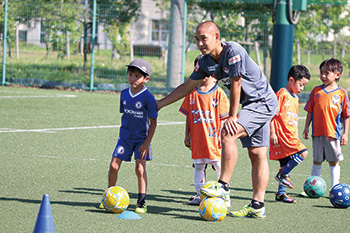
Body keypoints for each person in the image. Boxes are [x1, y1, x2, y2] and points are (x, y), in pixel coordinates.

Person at [157, 21, 278, 218]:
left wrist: (232, 116)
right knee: (257, 153)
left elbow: (236, 83)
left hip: (262, 101)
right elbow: (188, 86)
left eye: (203, 38)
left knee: (228, 132)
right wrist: (160, 103)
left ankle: (223, 186)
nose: (200, 43)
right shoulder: (205, 62)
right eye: (197, 39)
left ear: (217, 36)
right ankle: (258, 206)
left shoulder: (233, 51)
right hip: (251, 106)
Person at [105, 58, 158, 214]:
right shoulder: (123, 94)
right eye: (130, 74)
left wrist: (147, 143)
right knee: (114, 166)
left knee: (140, 169)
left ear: (146, 79)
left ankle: (141, 202)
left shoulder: (148, 97)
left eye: (137, 76)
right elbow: (125, 114)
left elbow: (153, 122)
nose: (132, 78)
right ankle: (108, 197)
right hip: (124, 139)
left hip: (141, 140)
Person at [179, 55, 230, 205]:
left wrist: (222, 136)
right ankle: (200, 195)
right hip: (198, 139)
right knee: (199, 165)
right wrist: (187, 134)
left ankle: (224, 196)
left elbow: (224, 118)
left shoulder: (219, 93)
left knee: (219, 165)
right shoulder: (191, 93)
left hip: (214, 139)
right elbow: (188, 115)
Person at [303, 58, 349, 189]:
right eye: (321, 72)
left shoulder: (341, 93)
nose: (323, 76)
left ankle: (335, 187)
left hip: (333, 134)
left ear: (337, 75)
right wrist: (306, 127)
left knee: (333, 161)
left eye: (326, 73)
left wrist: (345, 133)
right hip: (317, 133)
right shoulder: (316, 91)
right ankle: (312, 187)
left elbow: (346, 115)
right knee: (316, 161)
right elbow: (310, 111)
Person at [269, 65, 311, 204]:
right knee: (303, 152)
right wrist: (273, 133)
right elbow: (272, 115)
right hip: (282, 136)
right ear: (291, 80)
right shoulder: (281, 94)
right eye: (301, 84)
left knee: (286, 163)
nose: (302, 88)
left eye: (304, 85)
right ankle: (282, 175)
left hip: (291, 135)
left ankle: (281, 194)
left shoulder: (295, 98)